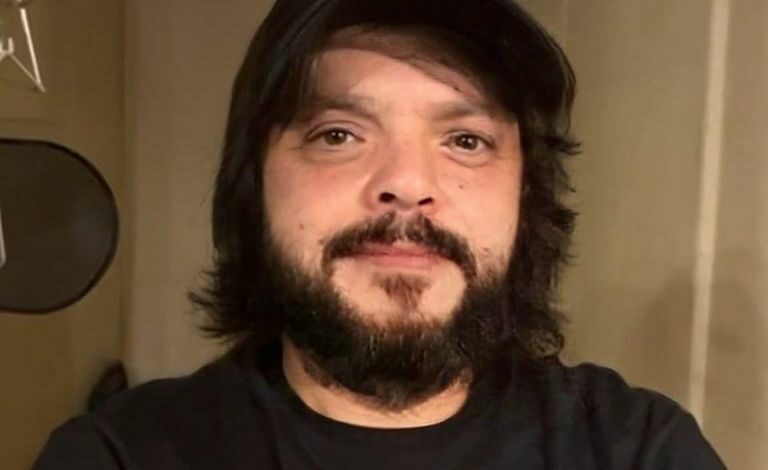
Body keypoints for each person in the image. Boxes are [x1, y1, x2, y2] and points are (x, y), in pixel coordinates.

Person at [34, 0, 727, 468]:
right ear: (254, 185)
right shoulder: (120, 455)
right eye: (339, 134)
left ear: (526, 196)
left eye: (465, 140)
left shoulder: (639, 449)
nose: (406, 182)